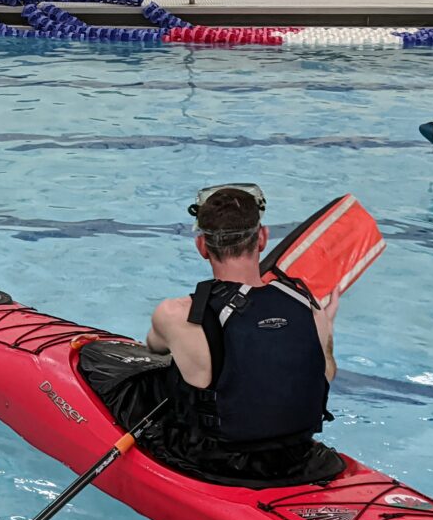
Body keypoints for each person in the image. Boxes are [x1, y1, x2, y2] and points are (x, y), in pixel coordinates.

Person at [141, 184, 345, 487]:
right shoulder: (310, 309)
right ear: (262, 238)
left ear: (202, 247)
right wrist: (325, 326)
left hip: (217, 466)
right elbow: (324, 375)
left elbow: (153, 350)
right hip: (300, 459)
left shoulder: (176, 314)